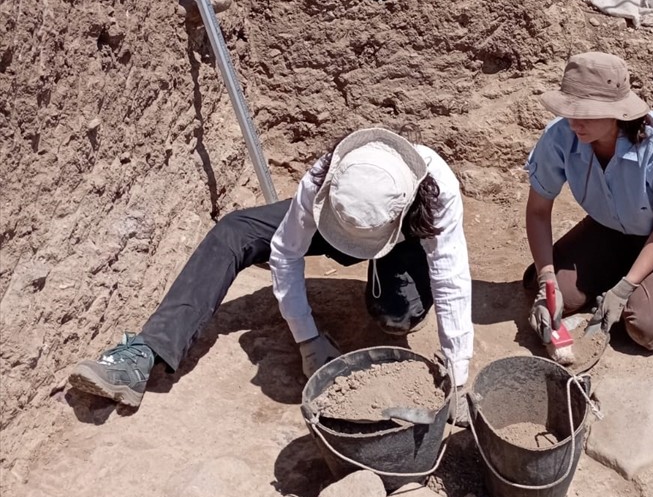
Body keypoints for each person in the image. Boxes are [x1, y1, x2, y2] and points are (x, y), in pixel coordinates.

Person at [69, 128, 473, 414]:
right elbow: (285, 251)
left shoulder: (436, 192)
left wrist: (457, 372)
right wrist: (308, 340)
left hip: (402, 239)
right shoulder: (326, 175)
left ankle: (385, 280)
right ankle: (144, 352)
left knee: (396, 314)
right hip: (334, 223)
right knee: (235, 230)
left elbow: (450, 276)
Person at [524, 53, 653, 362]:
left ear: (618, 112)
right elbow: (538, 211)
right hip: (616, 226)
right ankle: (629, 268)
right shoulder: (559, 137)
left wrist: (625, 288)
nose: (575, 122)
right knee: (546, 290)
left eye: (588, 113)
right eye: (570, 110)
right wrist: (546, 282)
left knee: (647, 326)